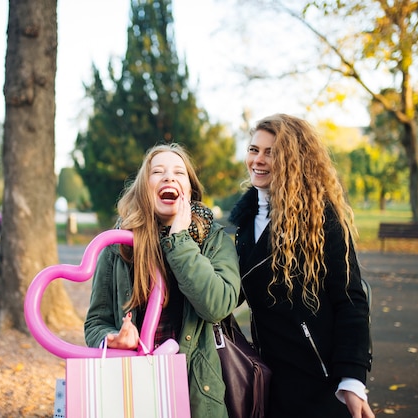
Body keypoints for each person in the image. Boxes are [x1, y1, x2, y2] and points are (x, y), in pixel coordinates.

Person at [229, 114, 374, 418]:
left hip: (320, 376)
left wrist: (352, 377)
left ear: (294, 159)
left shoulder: (322, 218)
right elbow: (234, 290)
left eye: (272, 152)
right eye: (254, 150)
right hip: (267, 372)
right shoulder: (245, 220)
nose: (259, 160)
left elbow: (351, 300)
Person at [84, 143, 241, 417]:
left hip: (197, 395)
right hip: (133, 389)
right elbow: (96, 322)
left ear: (189, 190)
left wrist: (179, 242)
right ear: (144, 188)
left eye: (179, 172)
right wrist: (112, 338)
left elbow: (218, 305)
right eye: (158, 172)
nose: (169, 177)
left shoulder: (214, 239)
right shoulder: (118, 244)